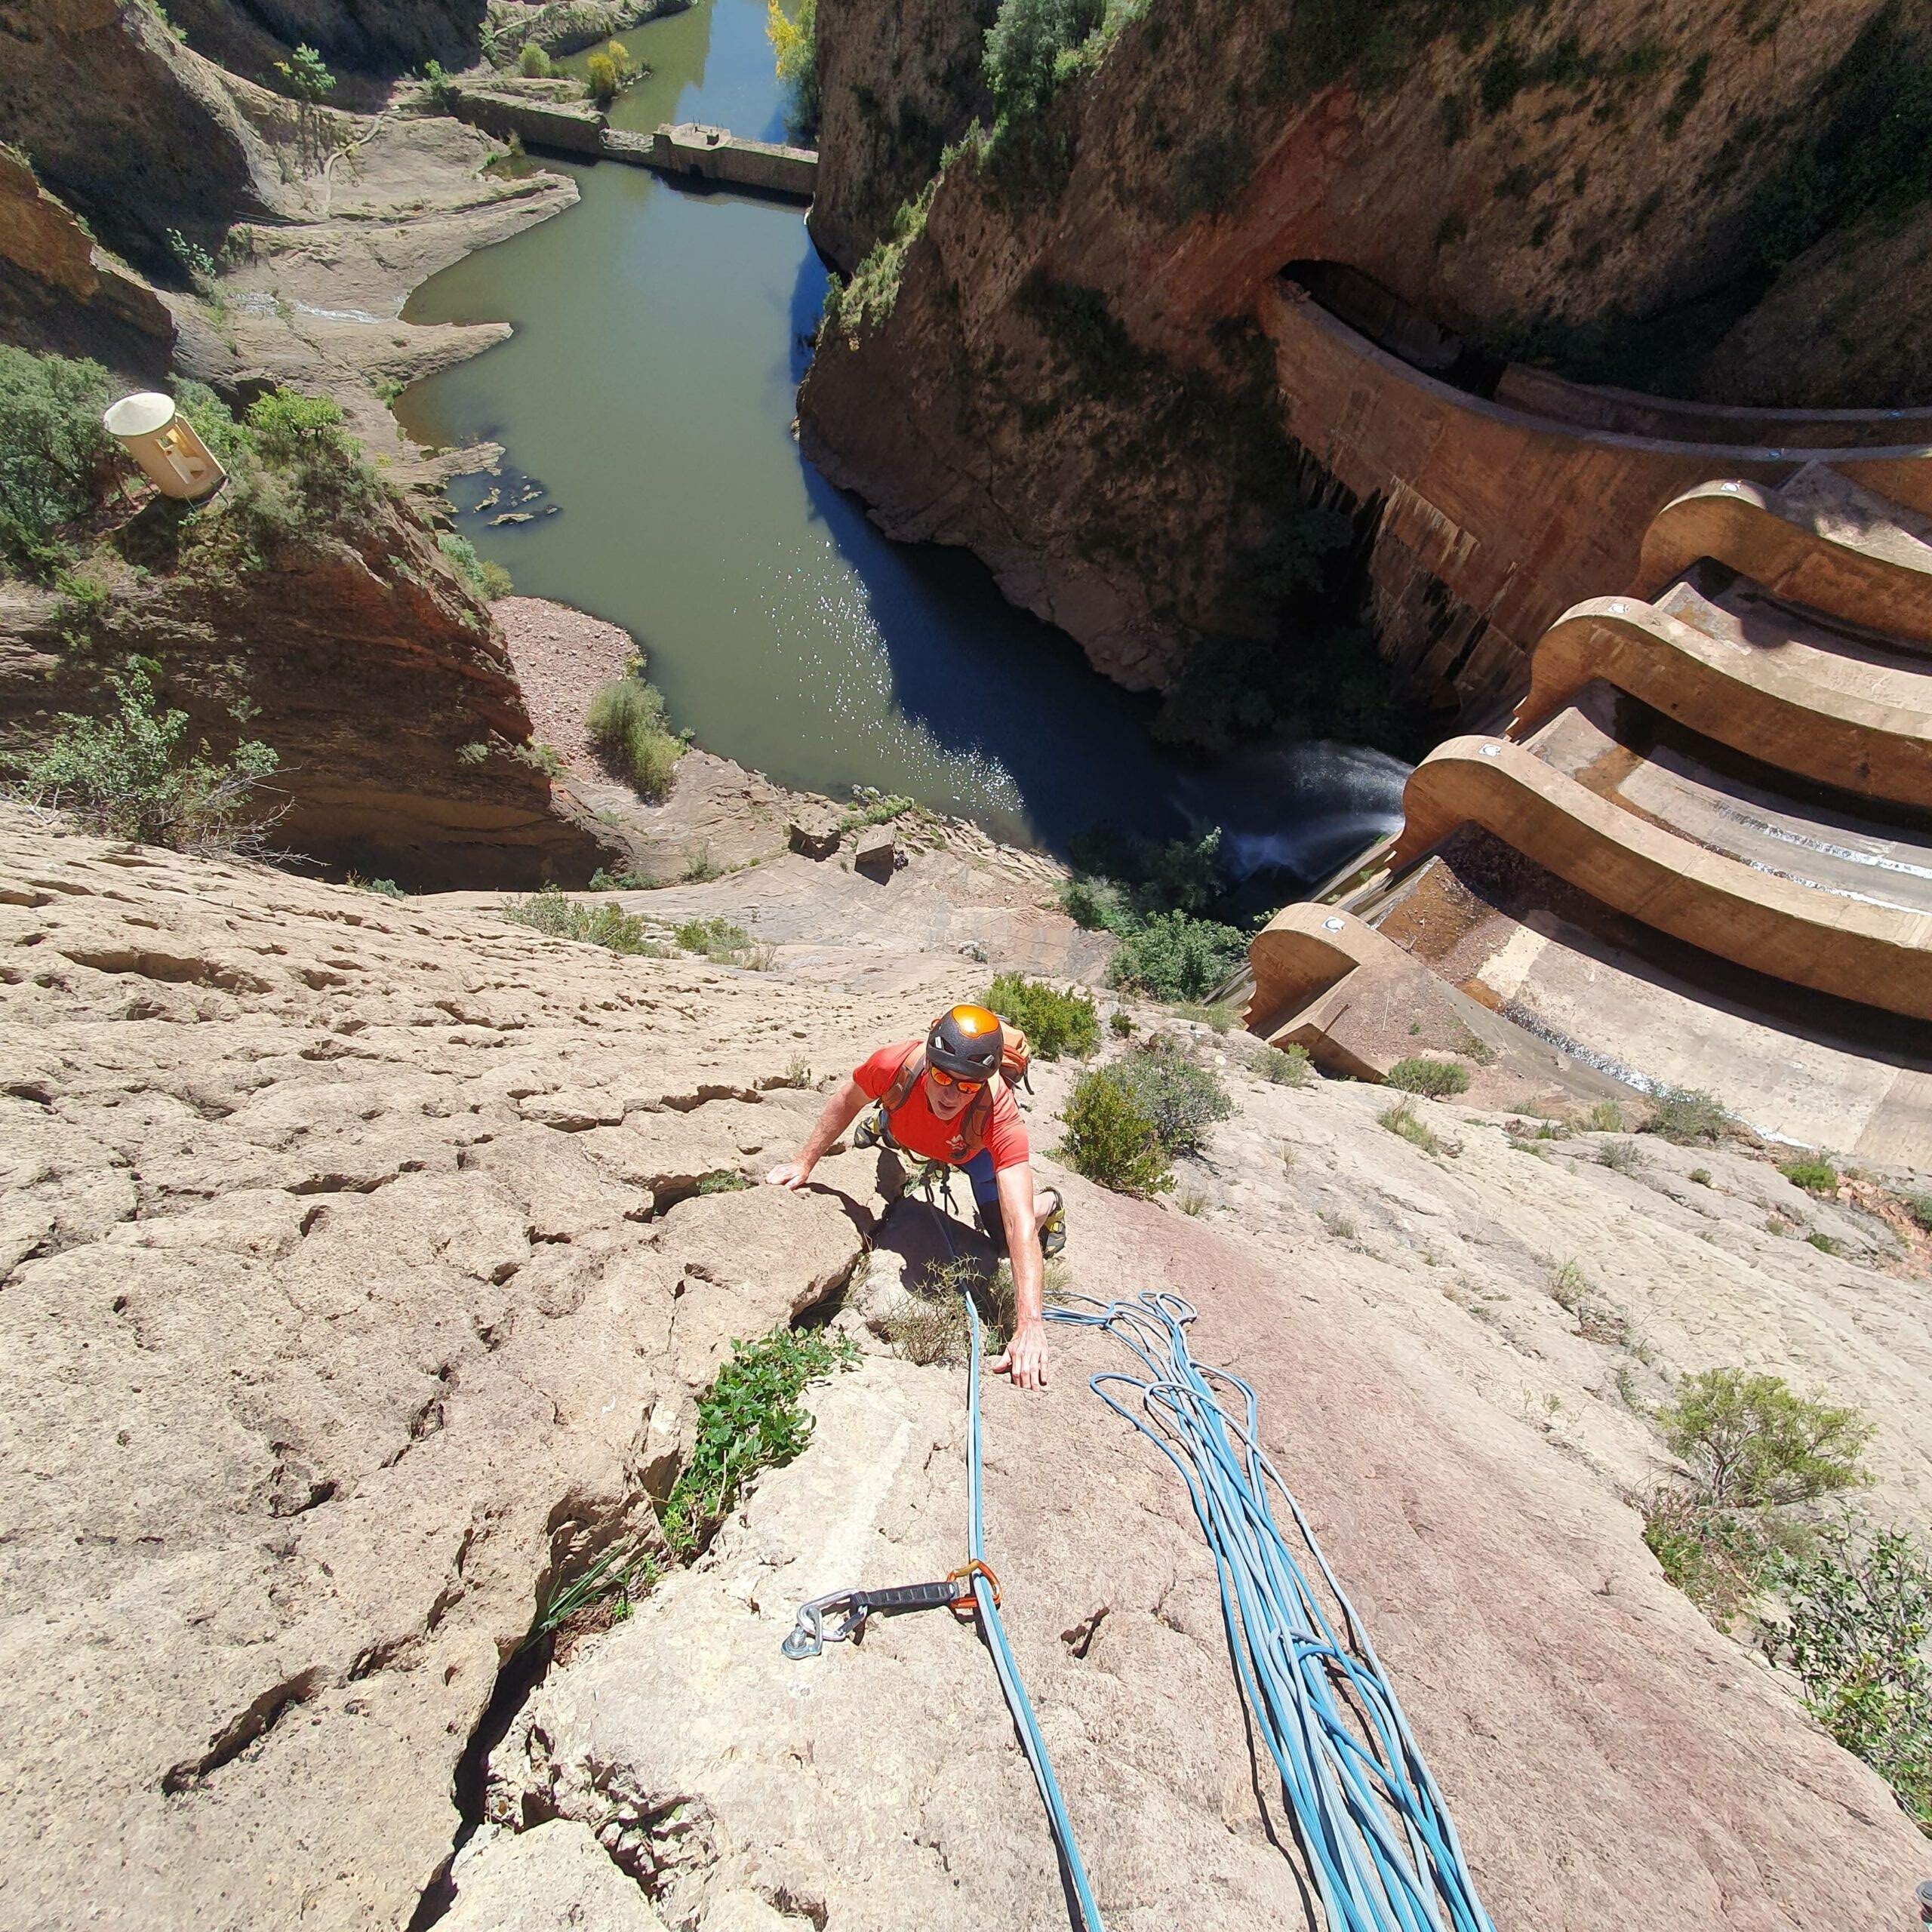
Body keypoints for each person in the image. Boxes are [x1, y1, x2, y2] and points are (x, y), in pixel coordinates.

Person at [766, 1004, 1064, 1392]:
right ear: (929, 1058)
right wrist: (803, 1163)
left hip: (970, 1155)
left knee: (1002, 1239)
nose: (952, 1093)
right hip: (915, 1130)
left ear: (984, 1082)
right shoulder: (894, 1065)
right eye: (942, 1075)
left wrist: (1030, 1325)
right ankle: (887, 1124)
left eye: (968, 1086)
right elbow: (847, 1098)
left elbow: (1019, 1223)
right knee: (900, 1119)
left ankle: (1052, 1203)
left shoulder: (999, 1112)